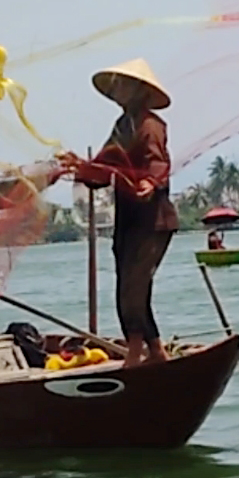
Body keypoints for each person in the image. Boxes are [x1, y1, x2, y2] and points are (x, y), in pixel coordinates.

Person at [62, 58, 177, 366]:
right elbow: (103, 168)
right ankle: (154, 352)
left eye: (122, 85)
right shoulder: (122, 126)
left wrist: (150, 182)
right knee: (127, 286)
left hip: (153, 219)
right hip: (128, 219)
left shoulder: (150, 125)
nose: (117, 90)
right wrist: (79, 167)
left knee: (134, 288)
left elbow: (158, 162)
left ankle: (140, 353)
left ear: (138, 89)